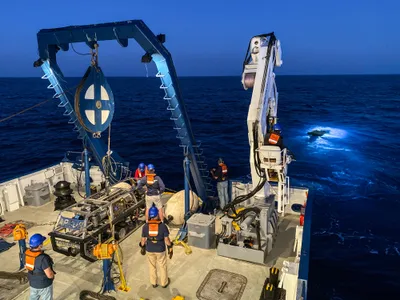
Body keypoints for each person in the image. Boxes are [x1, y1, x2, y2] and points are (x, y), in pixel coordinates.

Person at [139, 205, 173, 288]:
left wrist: (142, 247)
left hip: (149, 249)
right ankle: (164, 283)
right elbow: (167, 240)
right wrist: (170, 247)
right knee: (162, 266)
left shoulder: (145, 227)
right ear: (157, 215)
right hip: (160, 249)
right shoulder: (162, 226)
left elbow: (143, 240)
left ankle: (153, 283)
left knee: (152, 266)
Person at [25, 233, 55, 300]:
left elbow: (27, 267)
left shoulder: (27, 254)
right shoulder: (43, 258)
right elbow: (49, 274)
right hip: (44, 285)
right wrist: (52, 276)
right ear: (39, 245)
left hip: (33, 283)